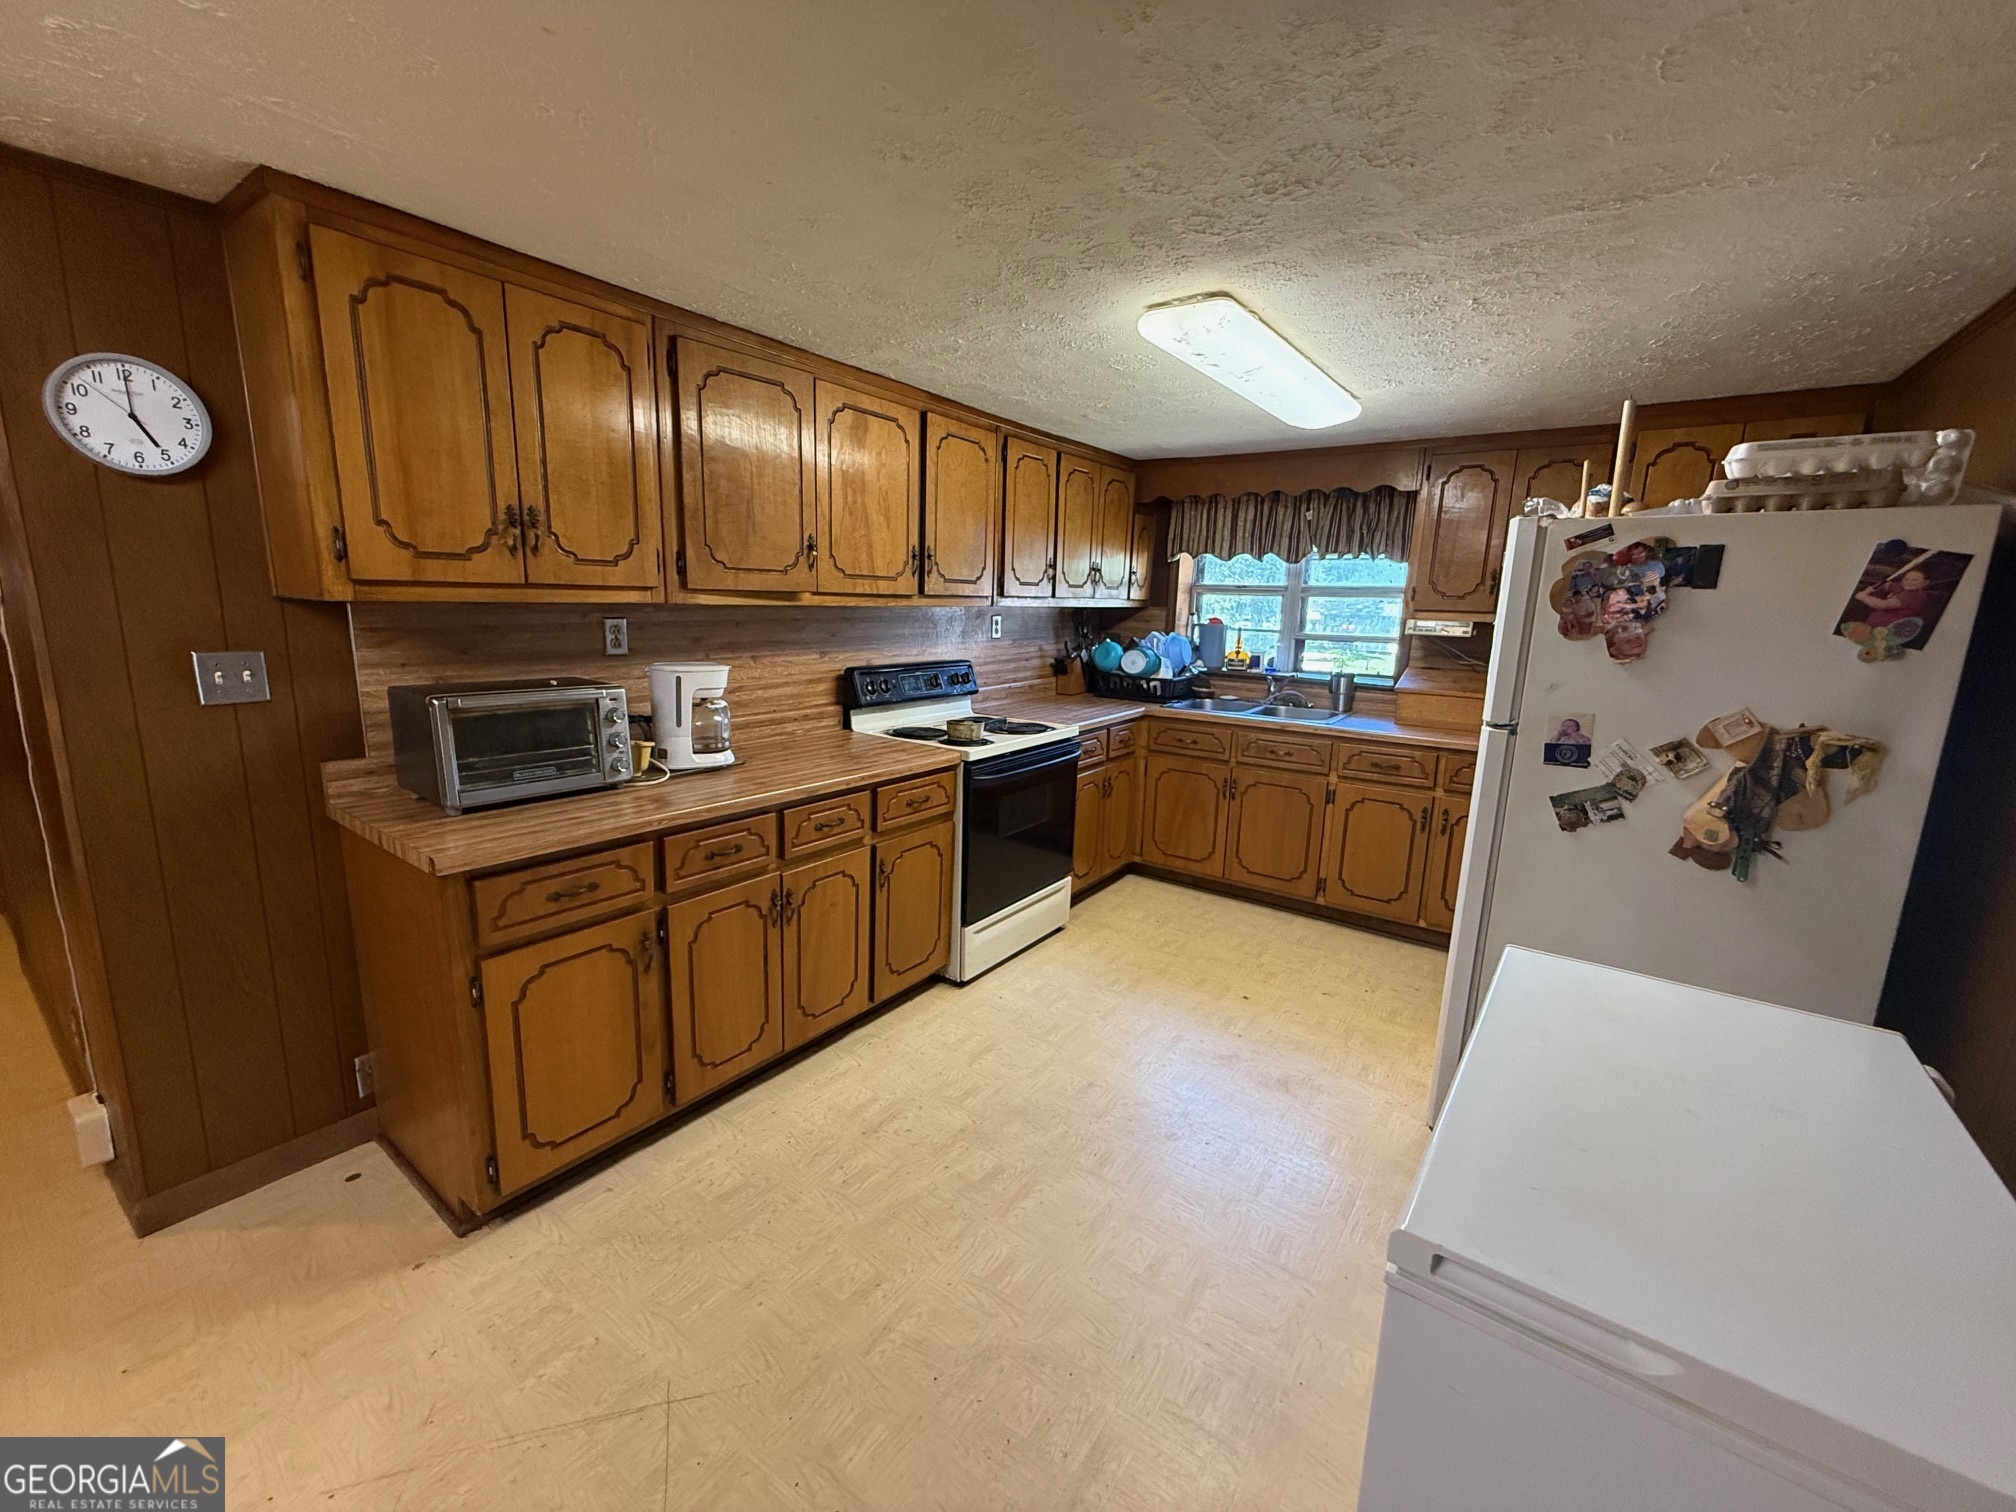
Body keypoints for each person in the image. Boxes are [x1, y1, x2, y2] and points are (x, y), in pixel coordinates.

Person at [1856, 567, 1931, 629]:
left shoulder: (1914, 596)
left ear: (1925, 583)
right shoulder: (1904, 588)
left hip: (1885, 631)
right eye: (1906, 579)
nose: (1909, 582)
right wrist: (1875, 588)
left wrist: (1863, 596)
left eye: (1914, 580)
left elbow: (1882, 604)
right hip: (1874, 626)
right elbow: (1888, 585)